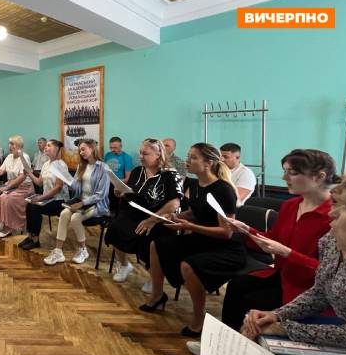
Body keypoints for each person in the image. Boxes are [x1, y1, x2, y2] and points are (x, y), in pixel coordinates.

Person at [238, 167, 346, 355]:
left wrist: (284, 328)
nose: (333, 211)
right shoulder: (332, 239)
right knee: (252, 340)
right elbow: (319, 292)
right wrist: (276, 315)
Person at [221, 149, 337, 331]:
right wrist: (247, 231)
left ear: (319, 177)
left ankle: (244, 340)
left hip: (308, 287)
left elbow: (328, 272)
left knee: (253, 300)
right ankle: (226, 338)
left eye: (292, 173)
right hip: (283, 274)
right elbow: (274, 239)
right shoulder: (291, 205)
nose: (284, 178)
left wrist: (286, 252)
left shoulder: (334, 216)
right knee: (237, 285)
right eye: (285, 171)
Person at [140, 143, 245, 337]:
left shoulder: (223, 190)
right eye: (188, 156)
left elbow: (226, 232)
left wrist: (189, 226)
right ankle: (157, 295)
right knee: (157, 245)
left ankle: (199, 317)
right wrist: (177, 217)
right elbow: (195, 212)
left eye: (193, 158)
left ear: (208, 163)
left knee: (188, 265)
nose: (187, 161)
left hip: (224, 247)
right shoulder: (197, 184)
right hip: (202, 238)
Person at [104, 138, 183, 283]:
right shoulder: (137, 171)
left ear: (158, 154)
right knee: (115, 228)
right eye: (140, 153)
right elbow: (132, 193)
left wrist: (152, 220)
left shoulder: (170, 175)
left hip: (158, 217)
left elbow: (174, 202)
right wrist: (121, 192)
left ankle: (154, 277)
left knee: (149, 237)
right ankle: (124, 265)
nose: (140, 156)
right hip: (135, 213)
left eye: (145, 154)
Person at [43, 139, 110, 266]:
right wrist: (65, 177)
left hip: (97, 204)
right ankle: (58, 252)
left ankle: (83, 250)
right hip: (81, 201)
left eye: (83, 149)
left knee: (75, 218)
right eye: (80, 150)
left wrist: (82, 203)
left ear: (92, 149)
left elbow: (101, 194)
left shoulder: (103, 168)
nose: (81, 152)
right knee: (64, 214)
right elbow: (76, 188)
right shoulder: (81, 166)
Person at [18, 140, 69, 250]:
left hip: (59, 200)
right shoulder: (46, 164)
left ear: (56, 149)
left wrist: (41, 197)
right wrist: (29, 173)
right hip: (47, 198)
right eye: (46, 146)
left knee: (35, 207)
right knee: (29, 205)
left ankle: (35, 240)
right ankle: (30, 236)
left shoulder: (61, 165)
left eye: (49, 145)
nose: (45, 147)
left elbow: (58, 187)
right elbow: (39, 182)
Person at [0, 135, 34, 237]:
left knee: (4, 197)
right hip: (11, 186)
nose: (10, 146)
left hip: (24, 188)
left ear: (19, 146)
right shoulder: (9, 157)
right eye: (9, 144)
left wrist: (7, 188)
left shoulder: (25, 157)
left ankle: (8, 226)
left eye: (12, 144)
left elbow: (22, 177)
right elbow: (1, 171)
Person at [104, 136, 134, 213]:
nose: (112, 150)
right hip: (106, 183)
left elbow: (128, 178)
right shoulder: (107, 155)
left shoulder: (127, 158)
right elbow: (104, 171)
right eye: (111, 147)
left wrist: (115, 183)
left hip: (118, 185)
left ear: (121, 146)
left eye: (115, 148)